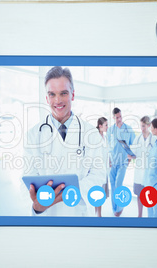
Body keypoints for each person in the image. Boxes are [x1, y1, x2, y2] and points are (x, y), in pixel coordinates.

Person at [23, 66, 106, 216]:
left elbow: (98, 174)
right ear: (47, 98)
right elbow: (29, 179)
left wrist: (67, 193)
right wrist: (39, 205)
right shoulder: (33, 135)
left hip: (77, 214)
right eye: (52, 94)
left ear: (72, 95)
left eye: (63, 93)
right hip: (45, 216)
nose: (58, 100)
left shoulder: (91, 133)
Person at [106, 108, 135, 217]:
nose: (119, 119)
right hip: (112, 162)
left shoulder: (128, 129)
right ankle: (115, 209)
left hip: (123, 161)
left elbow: (134, 146)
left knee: (118, 184)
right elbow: (107, 146)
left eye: (120, 117)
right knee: (112, 185)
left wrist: (129, 159)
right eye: (117, 117)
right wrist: (108, 160)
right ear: (113, 117)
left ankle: (119, 207)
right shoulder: (110, 130)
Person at [129, 116, 157, 217]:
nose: (142, 128)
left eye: (144, 126)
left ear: (149, 126)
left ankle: (150, 216)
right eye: (141, 126)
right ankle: (139, 215)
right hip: (139, 171)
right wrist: (130, 155)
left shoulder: (154, 139)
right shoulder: (137, 138)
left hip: (149, 172)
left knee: (149, 195)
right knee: (139, 194)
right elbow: (134, 153)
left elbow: (156, 155)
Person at [95, 117, 109, 217]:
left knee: (101, 194)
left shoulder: (105, 137)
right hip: (97, 170)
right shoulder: (95, 137)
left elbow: (106, 152)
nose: (107, 127)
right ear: (100, 126)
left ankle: (99, 214)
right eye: (106, 125)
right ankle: (97, 215)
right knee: (97, 194)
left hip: (105, 169)